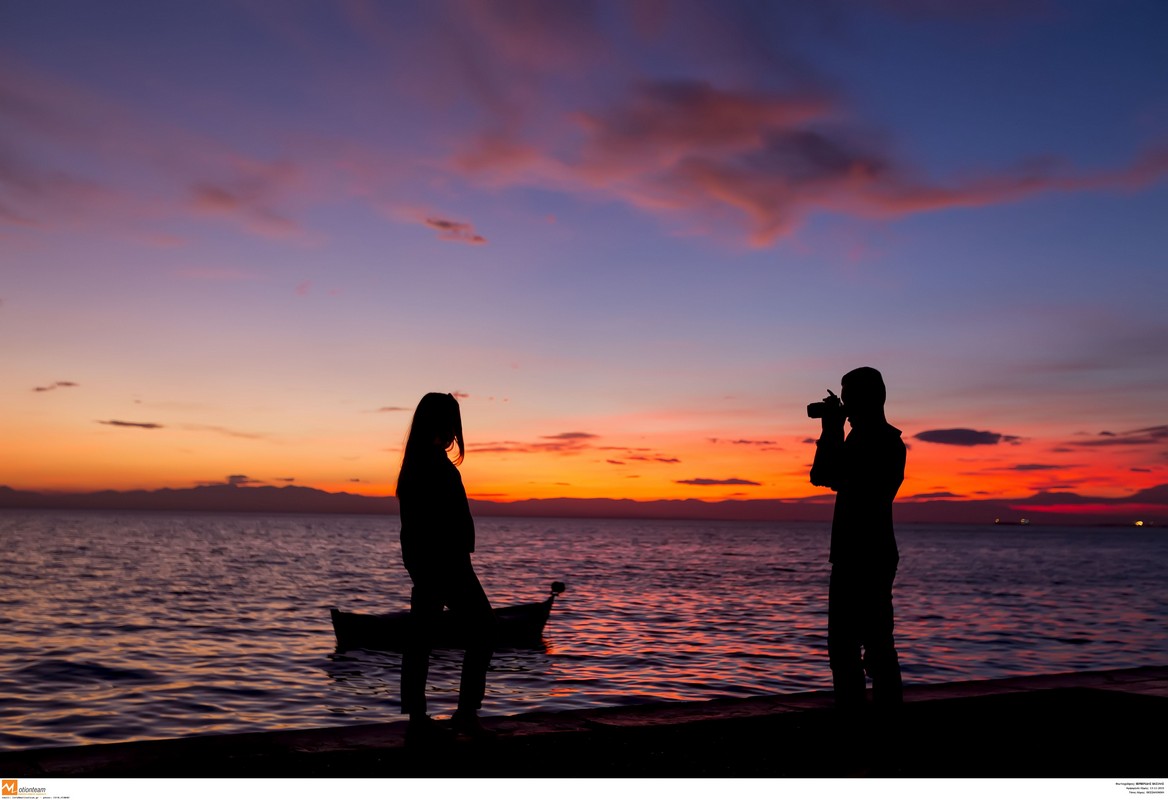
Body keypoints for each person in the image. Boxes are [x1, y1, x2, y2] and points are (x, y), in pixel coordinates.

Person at [396, 392, 496, 742]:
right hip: (444, 563)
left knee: (422, 637)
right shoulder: (428, 465)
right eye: (451, 422)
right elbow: (421, 524)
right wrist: (433, 563)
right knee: (482, 629)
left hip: (440, 562)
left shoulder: (424, 461)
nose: (455, 430)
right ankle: (461, 715)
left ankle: (423, 718)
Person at [809, 366, 905, 710]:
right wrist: (835, 431)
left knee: (857, 647)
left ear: (869, 399)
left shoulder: (878, 441)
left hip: (863, 555)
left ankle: (863, 720)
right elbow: (829, 475)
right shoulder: (872, 439)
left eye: (849, 398)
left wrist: (830, 430)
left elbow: (823, 474)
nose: (845, 406)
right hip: (866, 552)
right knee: (869, 645)